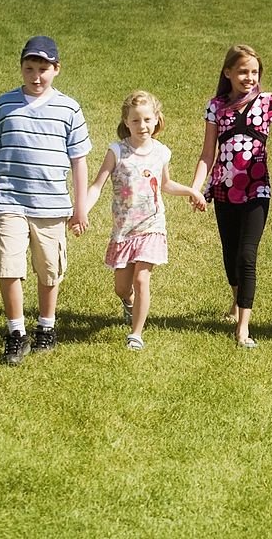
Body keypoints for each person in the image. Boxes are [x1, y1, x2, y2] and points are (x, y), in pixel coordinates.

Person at [0, 35, 92, 366]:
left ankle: (46, 328)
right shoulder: (3, 105)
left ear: (56, 69)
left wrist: (80, 207)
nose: (36, 76)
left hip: (51, 203)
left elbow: (79, 160)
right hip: (9, 199)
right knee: (9, 265)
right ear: (21, 68)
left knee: (49, 268)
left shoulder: (69, 108)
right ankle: (16, 334)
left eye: (43, 69)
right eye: (29, 68)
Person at [190, 45, 272, 348]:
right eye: (243, 71)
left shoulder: (267, 102)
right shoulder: (215, 107)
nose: (249, 77)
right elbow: (207, 154)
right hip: (223, 189)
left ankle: (243, 327)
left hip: (257, 189)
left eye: (254, 72)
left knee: (247, 255)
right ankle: (235, 299)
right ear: (228, 73)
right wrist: (195, 187)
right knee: (230, 254)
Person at [83, 91, 206, 350]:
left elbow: (166, 184)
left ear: (156, 119)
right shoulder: (117, 151)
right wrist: (81, 210)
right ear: (126, 122)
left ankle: (136, 335)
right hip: (124, 230)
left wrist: (192, 191)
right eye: (136, 121)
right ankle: (128, 304)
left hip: (152, 226)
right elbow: (96, 186)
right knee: (121, 287)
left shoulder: (161, 152)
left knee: (142, 280)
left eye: (148, 119)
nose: (143, 126)